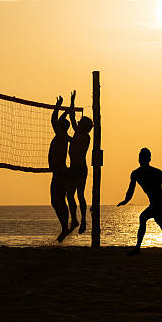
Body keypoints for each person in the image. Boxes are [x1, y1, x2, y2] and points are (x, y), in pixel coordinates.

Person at [117, 148, 162, 255]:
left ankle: (137, 248)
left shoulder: (156, 172)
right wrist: (125, 201)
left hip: (161, 202)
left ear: (149, 159)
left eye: (143, 157)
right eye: (140, 156)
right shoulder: (135, 173)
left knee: (143, 217)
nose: (141, 159)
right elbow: (130, 190)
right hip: (154, 204)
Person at [67, 91, 93, 234]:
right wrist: (72, 102)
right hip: (73, 168)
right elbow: (72, 118)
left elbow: (73, 140)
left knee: (80, 195)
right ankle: (75, 219)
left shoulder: (85, 137)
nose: (77, 123)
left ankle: (83, 220)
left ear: (84, 126)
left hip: (80, 169)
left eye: (80, 123)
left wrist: (63, 136)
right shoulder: (78, 131)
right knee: (70, 195)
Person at [49, 95, 73, 242]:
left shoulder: (61, 135)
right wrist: (68, 109)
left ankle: (65, 227)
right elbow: (57, 121)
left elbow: (53, 119)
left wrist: (58, 106)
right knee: (60, 201)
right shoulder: (64, 136)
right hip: (62, 172)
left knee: (56, 201)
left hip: (60, 173)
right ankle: (65, 226)